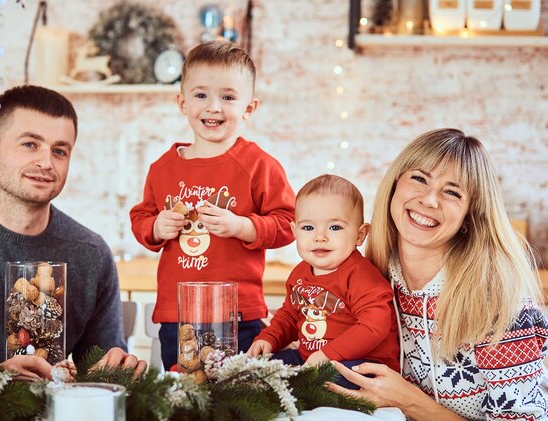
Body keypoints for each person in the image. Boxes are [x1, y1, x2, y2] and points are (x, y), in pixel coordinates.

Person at [0, 85, 146, 380]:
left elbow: (97, 376)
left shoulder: (91, 254)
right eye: (30, 144)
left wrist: (117, 370)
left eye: (59, 151)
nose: (46, 162)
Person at [326, 129, 548, 419]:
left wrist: (409, 402)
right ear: (394, 187)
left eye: (452, 192)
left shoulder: (498, 299)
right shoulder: (374, 276)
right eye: (419, 178)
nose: (429, 200)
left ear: (469, 217)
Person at [130, 40, 296, 371]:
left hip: (237, 315)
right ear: (182, 102)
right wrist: (155, 227)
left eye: (228, 97)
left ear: (249, 108)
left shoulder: (258, 165)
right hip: (177, 318)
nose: (213, 107)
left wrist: (243, 227)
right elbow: (141, 218)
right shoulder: (162, 168)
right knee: (185, 398)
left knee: (237, 398)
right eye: (201, 95)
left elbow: (290, 222)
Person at [247, 174, 399, 389]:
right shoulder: (300, 274)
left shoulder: (362, 276)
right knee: (254, 370)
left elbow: (373, 326)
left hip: (362, 365)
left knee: (317, 382)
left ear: (360, 234)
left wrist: (328, 354)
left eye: (334, 227)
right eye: (308, 228)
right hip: (310, 359)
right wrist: (269, 338)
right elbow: (290, 316)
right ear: (294, 232)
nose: (320, 237)